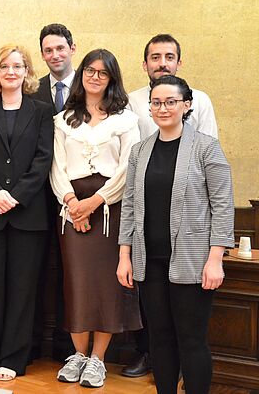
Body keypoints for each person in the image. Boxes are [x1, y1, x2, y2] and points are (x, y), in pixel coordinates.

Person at [117, 75, 234, 394]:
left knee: (191, 339)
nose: (162, 108)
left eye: (171, 101)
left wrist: (216, 259)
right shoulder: (140, 150)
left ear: (187, 106)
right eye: (156, 102)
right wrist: (124, 255)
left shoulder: (206, 146)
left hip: (193, 262)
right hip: (149, 262)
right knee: (159, 338)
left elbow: (222, 204)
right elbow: (129, 204)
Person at [49, 48, 142, 388]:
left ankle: (98, 359)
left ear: (112, 79)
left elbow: (127, 168)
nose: (95, 77)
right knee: (77, 282)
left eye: (103, 73)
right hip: (70, 211)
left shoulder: (126, 120)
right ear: (82, 73)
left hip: (108, 210)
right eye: (90, 70)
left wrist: (95, 201)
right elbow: (56, 166)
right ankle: (77, 355)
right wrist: (73, 202)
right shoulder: (64, 119)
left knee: (105, 286)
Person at [0, 44, 53, 381]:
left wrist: (15, 195)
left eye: (18, 66)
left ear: (28, 72)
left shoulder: (42, 111)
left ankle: (15, 359)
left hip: (27, 214)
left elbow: (44, 160)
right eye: (5, 67)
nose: (11, 72)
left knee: (22, 289)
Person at [31, 24, 78, 361]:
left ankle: (67, 345)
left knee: (70, 271)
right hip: (36, 195)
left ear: (72, 49)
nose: (54, 55)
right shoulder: (33, 91)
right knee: (33, 269)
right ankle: (32, 342)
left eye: (60, 48)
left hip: (75, 196)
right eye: (48, 50)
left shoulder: (90, 86)